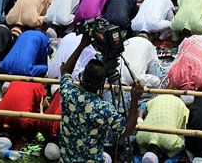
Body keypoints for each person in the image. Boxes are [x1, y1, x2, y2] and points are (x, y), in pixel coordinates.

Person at [57, 33, 142, 162]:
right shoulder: (104, 109)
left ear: (82, 76)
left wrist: (82, 45)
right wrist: (135, 99)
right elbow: (126, 131)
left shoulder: (68, 92)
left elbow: (66, 71)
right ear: (102, 84)